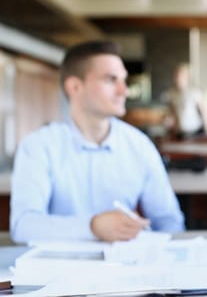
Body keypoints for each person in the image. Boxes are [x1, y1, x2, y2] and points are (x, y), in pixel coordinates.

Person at [10, 40, 185, 243]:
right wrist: (92, 226)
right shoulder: (38, 146)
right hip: (58, 270)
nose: (124, 91)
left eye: (123, 80)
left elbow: (170, 223)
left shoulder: (139, 146)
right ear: (75, 87)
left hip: (127, 269)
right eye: (111, 80)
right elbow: (23, 226)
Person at [163, 63, 205, 139]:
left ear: (187, 77)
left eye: (179, 75)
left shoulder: (194, 92)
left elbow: (204, 112)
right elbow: (171, 112)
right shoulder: (171, 93)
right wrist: (168, 119)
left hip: (195, 132)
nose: (176, 78)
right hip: (179, 132)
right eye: (175, 76)